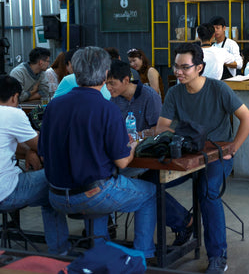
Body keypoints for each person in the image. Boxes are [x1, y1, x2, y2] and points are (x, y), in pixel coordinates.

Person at [38, 47, 157, 258]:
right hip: (93, 195)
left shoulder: (54, 106)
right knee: (148, 193)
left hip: (56, 195)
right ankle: (142, 257)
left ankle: (75, 252)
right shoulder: (107, 109)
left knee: (100, 183)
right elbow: (122, 162)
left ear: (74, 73)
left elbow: (43, 154)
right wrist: (133, 146)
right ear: (105, 74)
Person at [155, 42, 249, 274]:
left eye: (185, 67)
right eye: (176, 66)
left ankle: (218, 256)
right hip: (186, 154)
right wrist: (183, 135)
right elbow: (161, 128)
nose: (178, 72)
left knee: (208, 191)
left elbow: (247, 118)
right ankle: (184, 222)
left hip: (216, 155)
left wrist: (233, 147)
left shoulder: (218, 89)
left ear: (199, 67)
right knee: (150, 184)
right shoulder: (175, 92)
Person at [0, 75, 70, 255]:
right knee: (53, 183)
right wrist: (32, 150)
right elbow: (42, 146)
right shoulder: (12, 114)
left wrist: (29, 151)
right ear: (15, 97)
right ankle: (60, 252)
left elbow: (12, 144)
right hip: (5, 192)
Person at [106, 60, 161, 132]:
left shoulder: (149, 96)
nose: (108, 88)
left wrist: (136, 135)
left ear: (126, 80)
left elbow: (158, 129)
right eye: (106, 84)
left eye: (112, 83)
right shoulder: (114, 99)